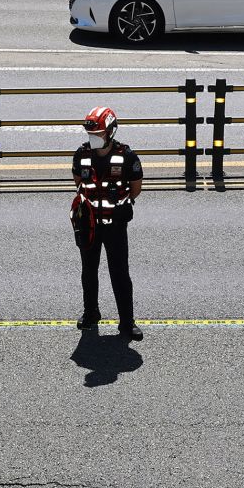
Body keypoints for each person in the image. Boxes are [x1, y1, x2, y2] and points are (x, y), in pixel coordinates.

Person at [71, 105, 144, 341]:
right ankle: (91, 313)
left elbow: (135, 189)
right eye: (91, 135)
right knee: (88, 271)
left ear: (110, 132)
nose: (93, 139)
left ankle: (127, 322)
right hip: (90, 224)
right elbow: (78, 184)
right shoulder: (81, 155)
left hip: (115, 226)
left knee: (120, 273)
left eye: (98, 134)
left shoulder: (127, 156)